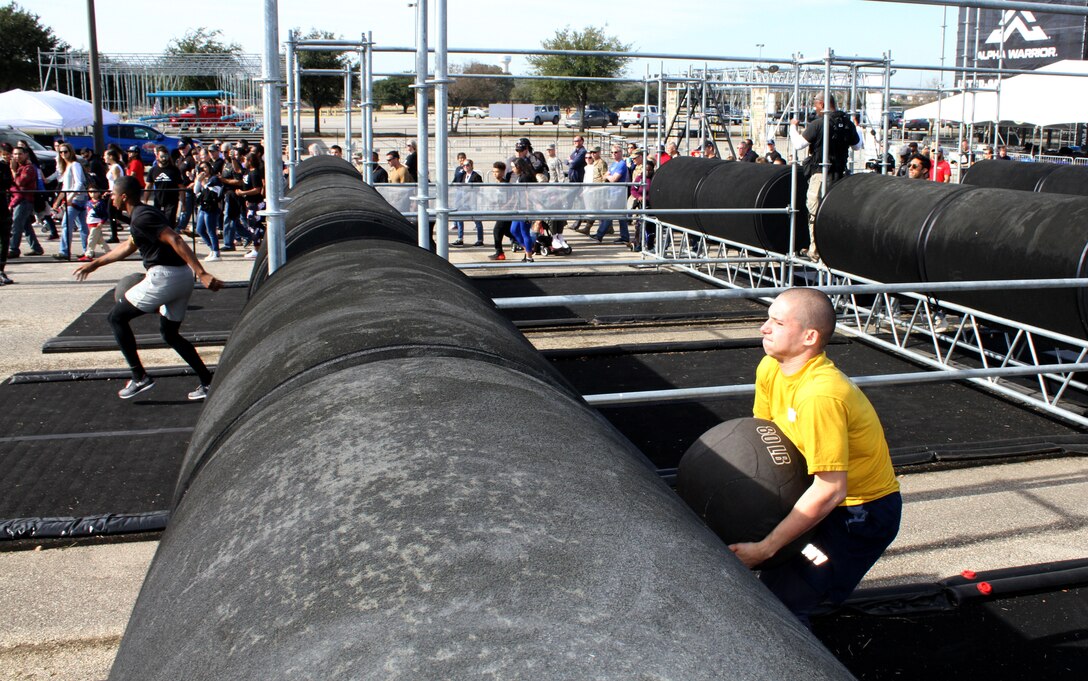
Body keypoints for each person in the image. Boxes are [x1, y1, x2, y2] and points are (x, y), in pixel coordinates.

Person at [728, 288, 901, 627]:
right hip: (815, 492)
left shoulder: (820, 396)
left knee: (787, 603)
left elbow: (830, 490)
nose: (764, 328)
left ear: (809, 336)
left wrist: (765, 548)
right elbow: (763, 438)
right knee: (769, 586)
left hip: (859, 513)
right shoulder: (770, 368)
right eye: (768, 319)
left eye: (777, 322)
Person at [73, 175, 222, 400]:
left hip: (165, 277)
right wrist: (95, 263)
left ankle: (139, 376)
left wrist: (202, 273)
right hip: (180, 277)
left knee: (116, 318)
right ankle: (207, 382)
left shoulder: (142, 217)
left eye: (113, 194)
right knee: (170, 334)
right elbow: (127, 246)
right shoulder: (142, 215)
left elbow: (176, 240)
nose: (110, 198)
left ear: (123, 197)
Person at [789, 93, 863, 261]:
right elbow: (857, 146)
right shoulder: (846, 123)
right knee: (834, 213)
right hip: (840, 176)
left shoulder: (819, 123)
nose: (815, 108)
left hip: (821, 175)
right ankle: (834, 249)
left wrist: (793, 127)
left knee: (815, 212)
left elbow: (799, 144)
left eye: (815, 105)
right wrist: (856, 128)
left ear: (821, 104)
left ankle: (815, 252)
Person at [52, 142, 90, 262]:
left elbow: (79, 183)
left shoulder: (75, 165)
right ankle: (87, 251)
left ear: (71, 152)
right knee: (82, 226)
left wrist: (70, 197)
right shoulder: (67, 166)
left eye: (65, 151)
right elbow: (65, 187)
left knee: (67, 224)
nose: (63, 154)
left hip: (76, 199)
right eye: (61, 152)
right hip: (76, 199)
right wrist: (58, 201)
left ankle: (64, 251)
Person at [7, 145, 45, 261]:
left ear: (25, 155)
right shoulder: (19, 167)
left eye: (20, 154)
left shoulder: (28, 168)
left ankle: (13, 249)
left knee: (16, 225)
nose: (17, 156)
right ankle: (36, 248)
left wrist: (13, 171)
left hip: (25, 200)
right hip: (17, 199)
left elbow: (20, 183)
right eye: (15, 154)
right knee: (26, 226)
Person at [592, 145, 631, 244]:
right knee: (621, 216)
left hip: (618, 193)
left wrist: (610, 176)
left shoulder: (622, 164)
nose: (614, 154)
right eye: (612, 152)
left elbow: (614, 179)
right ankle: (625, 236)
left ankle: (599, 234)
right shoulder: (614, 164)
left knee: (610, 214)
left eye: (616, 152)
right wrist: (610, 176)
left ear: (621, 153)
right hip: (613, 192)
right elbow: (605, 176)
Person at [193, 161, 223, 261]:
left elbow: (214, 191)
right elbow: (196, 191)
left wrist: (204, 183)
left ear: (210, 168)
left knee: (211, 230)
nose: (204, 170)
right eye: (201, 169)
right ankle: (212, 248)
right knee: (199, 230)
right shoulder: (202, 179)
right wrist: (198, 181)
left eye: (205, 168)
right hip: (202, 207)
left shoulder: (214, 179)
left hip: (211, 207)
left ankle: (216, 253)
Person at [147, 146, 183, 227]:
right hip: (158, 200)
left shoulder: (174, 170)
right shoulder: (153, 170)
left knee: (169, 223)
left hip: (171, 201)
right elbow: (148, 186)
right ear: (157, 157)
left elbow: (181, 186)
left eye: (166, 156)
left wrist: (183, 203)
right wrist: (145, 201)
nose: (164, 159)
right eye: (162, 156)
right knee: (157, 222)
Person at [452, 158, 484, 247]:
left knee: (477, 220)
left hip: (472, 201)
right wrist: (459, 173)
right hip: (462, 201)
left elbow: (479, 188)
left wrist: (469, 191)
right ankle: (460, 238)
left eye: (467, 165)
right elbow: (455, 182)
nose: (465, 167)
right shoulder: (462, 175)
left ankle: (480, 239)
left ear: (471, 166)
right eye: (464, 165)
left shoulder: (476, 176)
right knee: (459, 219)